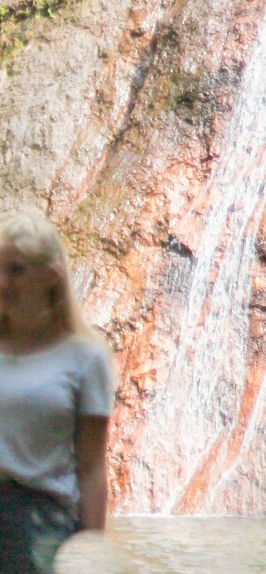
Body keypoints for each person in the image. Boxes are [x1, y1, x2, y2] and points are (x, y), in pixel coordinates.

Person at [0, 211, 112, 574]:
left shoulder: (85, 359)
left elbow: (93, 466)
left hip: (41, 525)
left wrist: (92, 550)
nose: (2, 282)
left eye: (16, 270)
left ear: (51, 276)